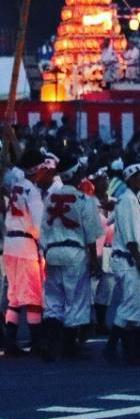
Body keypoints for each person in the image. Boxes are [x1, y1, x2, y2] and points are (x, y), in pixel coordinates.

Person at [40, 157, 103, 360]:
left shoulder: (50, 198)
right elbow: (91, 234)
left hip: (53, 251)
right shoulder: (84, 200)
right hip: (74, 252)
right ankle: (69, 346)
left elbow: (43, 229)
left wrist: (46, 251)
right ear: (75, 174)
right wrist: (94, 260)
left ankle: (50, 345)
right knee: (75, 299)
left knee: (53, 299)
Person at [2, 149, 55, 357]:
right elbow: (38, 225)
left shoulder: (16, 186)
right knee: (33, 296)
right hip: (25, 246)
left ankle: (10, 342)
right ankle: (36, 341)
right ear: (37, 170)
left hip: (10, 244)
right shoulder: (31, 192)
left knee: (14, 296)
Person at [110, 161, 140, 364]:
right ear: (133, 179)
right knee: (131, 305)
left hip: (130, 258)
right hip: (128, 259)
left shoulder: (133, 199)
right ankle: (124, 351)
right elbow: (131, 237)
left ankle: (121, 348)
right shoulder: (128, 200)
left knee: (134, 305)